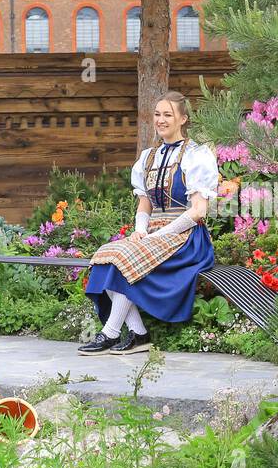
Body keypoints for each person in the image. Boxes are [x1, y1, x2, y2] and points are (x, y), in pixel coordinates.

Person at [79, 91, 219, 355]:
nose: (161, 120)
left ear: (183, 119)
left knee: (125, 261)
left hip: (187, 238)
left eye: (168, 115)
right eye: (157, 114)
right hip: (155, 232)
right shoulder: (148, 157)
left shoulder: (196, 156)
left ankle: (110, 333)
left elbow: (199, 210)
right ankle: (138, 334)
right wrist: (141, 230)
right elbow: (145, 203)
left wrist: (162, 234)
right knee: (106, 255)